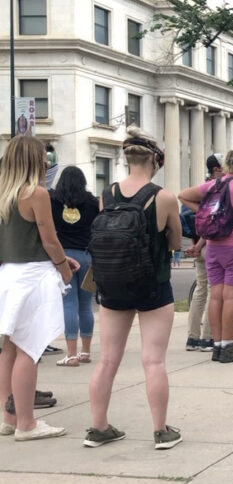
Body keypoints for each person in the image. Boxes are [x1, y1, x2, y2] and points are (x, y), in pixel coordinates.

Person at [84, 127, 183, 449]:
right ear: (155, 159)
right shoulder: (163, 197)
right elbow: (175, 241)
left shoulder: (107, 194)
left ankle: (98, 428)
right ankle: (161, 431)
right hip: (152, 286)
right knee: (153, 361)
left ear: (127, 158)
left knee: (107, 360)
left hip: (112, 284)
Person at [0, 134, 75, 440]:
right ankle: (27, 423)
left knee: (8, 349)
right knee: (29, 350)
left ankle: (8, 417)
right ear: (34, 159)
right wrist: (62, 266)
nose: (47, 160)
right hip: (34, 276)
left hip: (8, 274)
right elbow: (49, 239)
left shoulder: (4, 192)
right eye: (44, 155)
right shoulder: (36, 193)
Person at [178, 149, 233, 363]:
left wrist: (204, 212)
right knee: (232, 297)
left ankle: (217, 345)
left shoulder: (213, 184)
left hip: (212, 246)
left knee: (215, 294)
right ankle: (229, 345)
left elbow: (183, 195)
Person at [50, 165, 99, 367]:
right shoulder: (92, 202)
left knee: (68, 303)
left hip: (64, 257)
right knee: (86, 305)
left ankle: (71, 354)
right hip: (87, 255)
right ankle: (85, 351)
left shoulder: (53, 200)